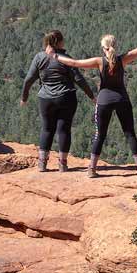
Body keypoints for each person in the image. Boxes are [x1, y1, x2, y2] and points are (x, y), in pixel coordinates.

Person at [54, 25, 137, 177]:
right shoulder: (123, 59)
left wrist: (55, 56)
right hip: (122, 99)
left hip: (104, 101)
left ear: (103, 48)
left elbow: (75, 63)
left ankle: (92, 169)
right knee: (130, 133)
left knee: (100, 135)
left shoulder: (99, 61)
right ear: (115, 46)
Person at [21, 30, 95, 172]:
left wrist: (24, 97)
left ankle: (42, 164)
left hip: (45, 99)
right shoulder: (65, 58)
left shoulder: (39, 58)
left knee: (47, 129)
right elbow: (78, 79)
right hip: (66, 97)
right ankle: (62, 164)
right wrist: (91, 96)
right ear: (59, 42)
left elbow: (29, 79)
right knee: (64, 130)